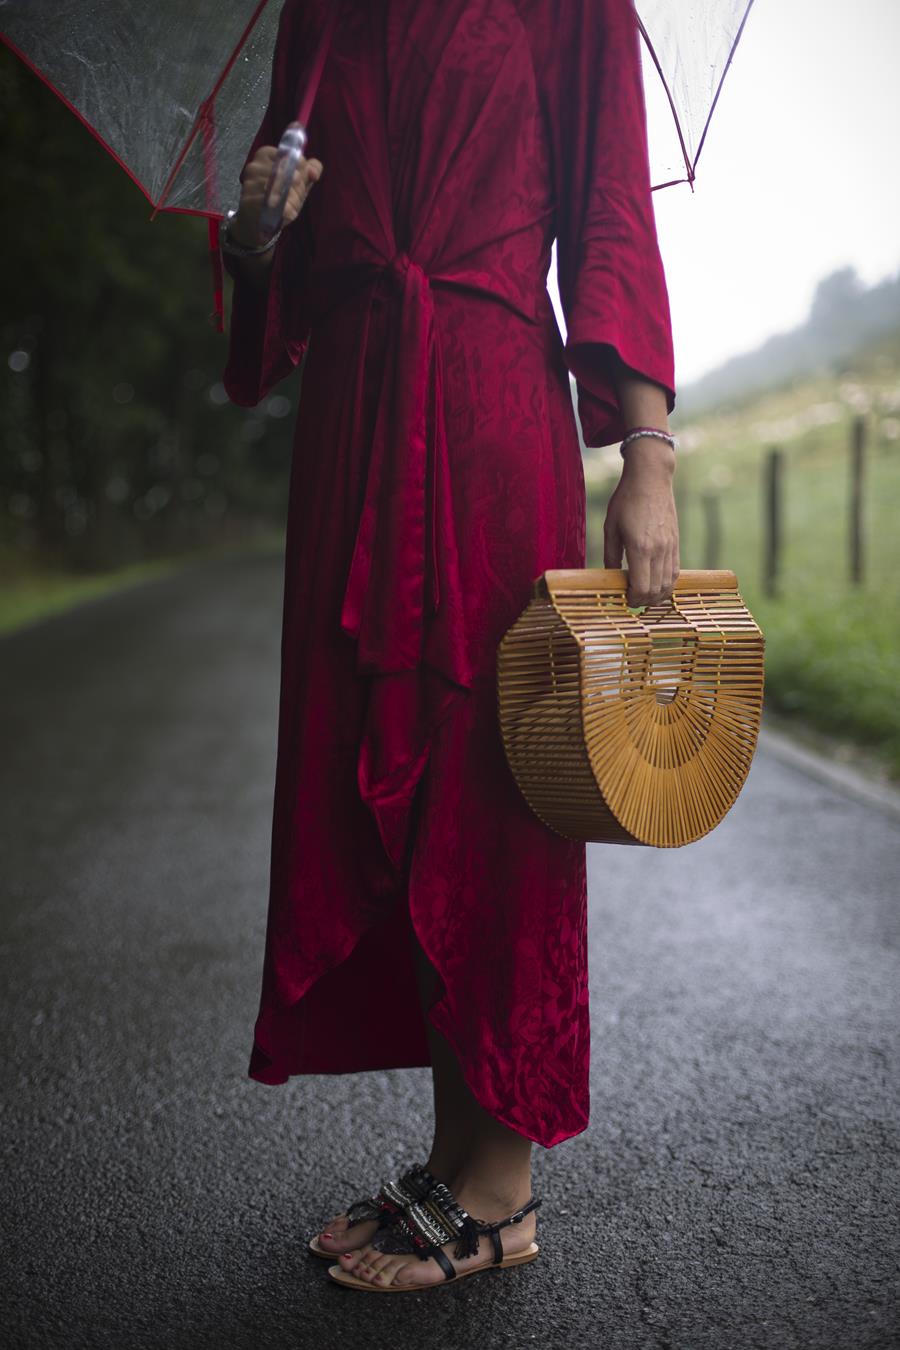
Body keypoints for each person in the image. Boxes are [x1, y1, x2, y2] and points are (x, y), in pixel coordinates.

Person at [222, 0, 678, 1292]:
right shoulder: (320, 14)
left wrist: (646, 457)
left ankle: (501, 1185)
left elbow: (610, 220)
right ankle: (449, 1153)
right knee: (380, 787)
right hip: (354, 420)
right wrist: (259, 232)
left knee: (487, 784)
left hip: (486, 407)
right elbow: (278, 284)